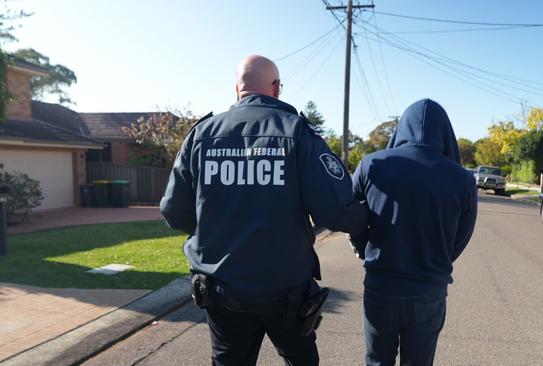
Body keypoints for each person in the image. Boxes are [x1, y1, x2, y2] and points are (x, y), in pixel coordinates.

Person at [160, 54, 368, 366]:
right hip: (285, 292)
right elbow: (337, 210)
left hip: (222, 288)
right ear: (276, 87)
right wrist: (372, 221)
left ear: (237, 89)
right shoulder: (297, 133)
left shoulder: (201, 136)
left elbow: (174, 212)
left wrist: (214, 231)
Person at [349, 98, 477, 366]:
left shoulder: (371, 165)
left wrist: (364, 249)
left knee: (377, 361)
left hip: (381, 284)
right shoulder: (463, 179)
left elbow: (351, 216)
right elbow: (462, 235)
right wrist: (438, 259)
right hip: (429, 289)